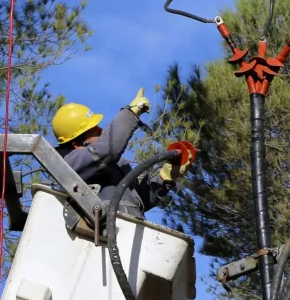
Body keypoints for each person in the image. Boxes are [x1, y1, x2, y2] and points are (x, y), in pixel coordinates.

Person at [51, 88, 188, 218]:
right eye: (95, 131)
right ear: (77, 144)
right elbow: (109, 148)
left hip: (128, 233)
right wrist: (130, 114)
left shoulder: (114, 165)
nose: (102, 131)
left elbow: (136, 203)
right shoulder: (70, 165)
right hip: (100, 237)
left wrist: (164, 178)